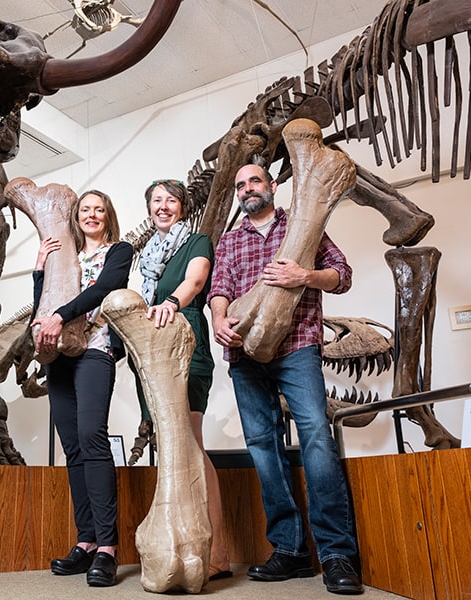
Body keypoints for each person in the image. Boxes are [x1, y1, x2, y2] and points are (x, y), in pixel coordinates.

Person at [208, 160, 363, 595]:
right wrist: (219, 320)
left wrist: (305, 275)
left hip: (297, 347)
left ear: (271, 185)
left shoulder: (303, 226)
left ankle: (336, 555)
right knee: (263, 447)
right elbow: (219, 289)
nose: (247, 189)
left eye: (254, 180)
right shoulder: (230, 240)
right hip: (244, 356)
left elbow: (342, 275)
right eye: (240, 185)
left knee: (316, 436)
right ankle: (290, 550)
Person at [31, 190, 133, 587]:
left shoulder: (118, 252)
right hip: (59, 355)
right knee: (72, 446)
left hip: (95, 348)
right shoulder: (63, 256)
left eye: (99, 209)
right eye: (86, 209)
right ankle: (86, 540)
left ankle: (108, 547)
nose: (92, 215)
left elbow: (102, 290)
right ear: (77, 216)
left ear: (108, 216)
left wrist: (59, 314)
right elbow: (42, 304)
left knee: (93, 439)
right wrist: (40, 272)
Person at [133, 179, 231, 580]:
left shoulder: (197, 241)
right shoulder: (147, 256)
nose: (163, 206)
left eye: (170, 200)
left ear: (182, 207)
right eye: (156, 200)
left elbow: (196, 280)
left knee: (191, 444)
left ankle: (218, 553)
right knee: (171, 448)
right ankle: (180, 546)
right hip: (153, 351)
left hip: (185, 344)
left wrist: (171, 302)